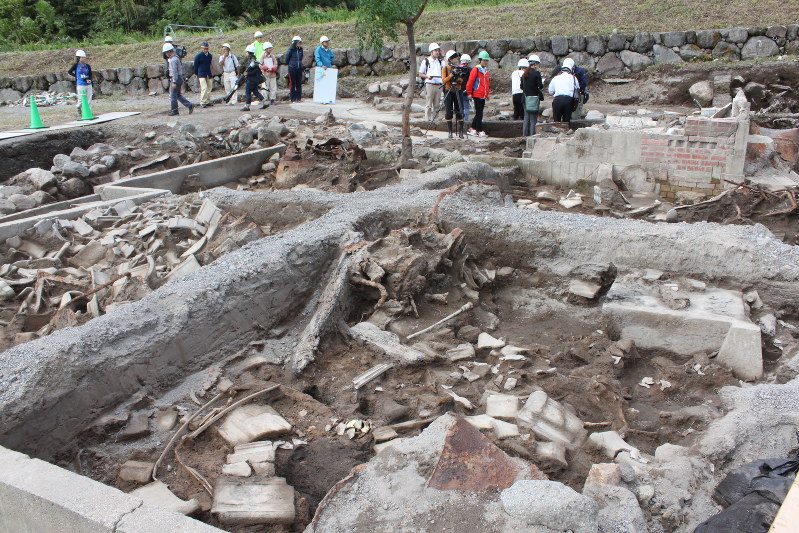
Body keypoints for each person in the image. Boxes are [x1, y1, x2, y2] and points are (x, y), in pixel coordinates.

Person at [441, 50, 466, 138]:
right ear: (450, 59)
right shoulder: (445, 68)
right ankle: (450, 132)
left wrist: (458, 79)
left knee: (460, 110)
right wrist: (451, 75)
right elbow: (444, 80)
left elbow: (461, 80)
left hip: (458, 90)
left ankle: (461, 132)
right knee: (448, 111)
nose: (457, 59)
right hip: (449, 90)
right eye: (455, 58)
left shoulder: (459, 68)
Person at [466, 51, 491, 137]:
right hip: (477, 94)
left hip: (482, 95)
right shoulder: (476, 69)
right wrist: (469, 93)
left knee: (479, 113)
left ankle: (472, 128)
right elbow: (470, 82)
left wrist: (487, 94)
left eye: (486, 60)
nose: (485, 62)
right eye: (484, 60)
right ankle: (479, 130)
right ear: (480, 60)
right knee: (479, 113)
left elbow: (487, 83)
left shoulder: (485, 70)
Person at [164, 43, 194, 116]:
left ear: (169, 51)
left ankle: (175, 110)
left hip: (175, 78)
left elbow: (174, 71)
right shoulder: (176, 58)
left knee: (173, 95)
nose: (166, 54)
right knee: (177, 95)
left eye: (166, 52)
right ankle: (189, 105)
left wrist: (174, 81)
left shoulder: (173, 60)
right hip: (179, 77)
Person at [548, 57, 580, 124]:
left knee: (556, 122)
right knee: (566, 122)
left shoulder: (556, 78)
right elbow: (577, 91)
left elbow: (550, 91)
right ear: (572, 68)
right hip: (568, 101)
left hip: (557, 100)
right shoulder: (574, 78)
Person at [419, 43, 445, 122]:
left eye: (438, 51)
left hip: (438, 84)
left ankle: (435, 119)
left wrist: (443, 55)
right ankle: (427, 120)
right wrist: (427, 76)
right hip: (430, 84)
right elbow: (420, 73)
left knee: (437, 104)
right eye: (435, 50)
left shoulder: (440, 62)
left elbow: (446, 66)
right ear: (431, 51)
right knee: (429, 103)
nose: (437, 52)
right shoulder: (426, 61)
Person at [241, 44, 268, 112]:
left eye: (247, 52)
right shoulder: (254, 60)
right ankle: (265, 102)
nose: (246, 53)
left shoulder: (252, 61)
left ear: (249, 52)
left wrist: (248, 73)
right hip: (255, 80)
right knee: (255, 92)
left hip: (251, 80)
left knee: (248, 92)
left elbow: (254, 71)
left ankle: (247, 106)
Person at [522, 55, 544, 135]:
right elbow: (540, 86)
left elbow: (521, 86)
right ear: (535, 64)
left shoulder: (524, 74)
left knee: (526, 119)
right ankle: (532, 135)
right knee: (533, 119)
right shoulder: (537, 73)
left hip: (525, 98)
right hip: (534, 99)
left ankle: (525, 135)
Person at [68, 49, 92, 117]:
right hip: (80, 84)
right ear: (79, 58)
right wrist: (76, 76)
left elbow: (90, 74)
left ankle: (89, 111)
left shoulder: (87, 65)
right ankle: (78, 106)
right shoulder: (76, 65)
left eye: (84, 57)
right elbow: (69, 71)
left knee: (89, 98)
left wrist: (89, 79)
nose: (84, 58)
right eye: (82, 57)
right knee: (81, 98)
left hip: (88, 84)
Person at [194, 42, 213, 108]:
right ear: (202, 48)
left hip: (208, 73)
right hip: (201, 73)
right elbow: (195, 65)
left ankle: (208, 100)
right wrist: (196, 73)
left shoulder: (210, 56)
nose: (205, 50)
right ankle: (202, 101)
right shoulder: (198, 56)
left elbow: (209, 64)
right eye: (204, 48)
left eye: (206, 48)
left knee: (209, 87)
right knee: (204, 87)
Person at [285, 36, 304, 103]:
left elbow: (301, 58)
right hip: (292, 69)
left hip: (299, 68)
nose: (299, 43)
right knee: (292, 84)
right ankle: (293, 98)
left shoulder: (301, 50)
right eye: (298, 42)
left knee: (299, 83)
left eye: (300, 42)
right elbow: (287, 59)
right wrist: (292, 65)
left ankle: (298, 98)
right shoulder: (290, 50)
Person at [458, 54, 472, 125]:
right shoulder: (469, 70)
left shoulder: (457, 69)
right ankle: (465, 121)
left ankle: (459, 121)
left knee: (460, 107)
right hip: (466, 90)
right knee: (466, 107)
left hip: (458, 90)